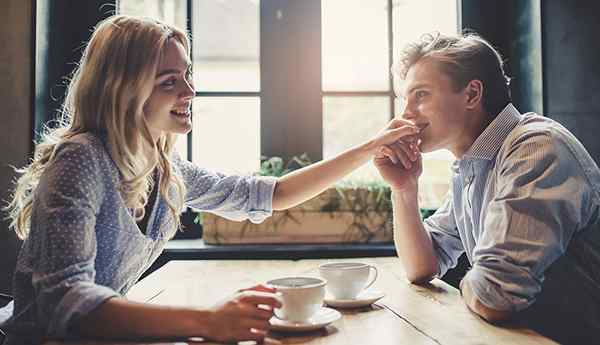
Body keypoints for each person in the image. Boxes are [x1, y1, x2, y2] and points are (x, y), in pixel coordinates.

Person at [1, 15, 419, 344]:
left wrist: (369, 148)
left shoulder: (164, 170)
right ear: (123, 90)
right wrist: (210, 320)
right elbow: (66, 302)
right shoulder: (82, 158)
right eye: (169, 81)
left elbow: (270, 194)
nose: (189, 91)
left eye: (187, 75)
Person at [373, 31, 600, 344]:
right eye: (405, 99)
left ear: (471, 95)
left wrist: (480, 282)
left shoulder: (536, 149)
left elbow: (494, 295)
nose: (405, 114)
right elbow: (421, 266)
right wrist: (404, 188)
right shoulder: (474, 165)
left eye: (421, 95)